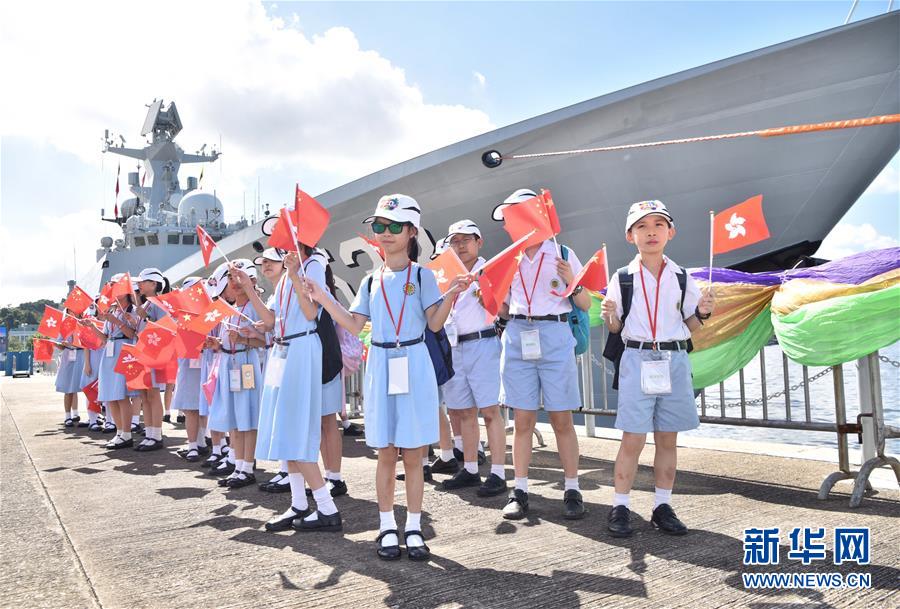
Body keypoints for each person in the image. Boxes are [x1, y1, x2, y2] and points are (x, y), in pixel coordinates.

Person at [304, 194, 468, 561]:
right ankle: (385, 526)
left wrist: (453, 295)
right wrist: (324, 298)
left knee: (413, 453)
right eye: (379, 226)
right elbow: (353, 323)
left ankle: (413, 526)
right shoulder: (370, 280)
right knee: (386, 453)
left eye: (395, 226)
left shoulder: (422, 275)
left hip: (413, 360)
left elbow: (434, 324)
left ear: (411, 232)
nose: (386, 233)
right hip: (380, 360)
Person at [601, 200, 715, 537]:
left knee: (668, 439)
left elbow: (691, 324)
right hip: (636, 358)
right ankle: (620, 506)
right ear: (630, 235)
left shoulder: (682, 277)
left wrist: (704, 311)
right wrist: (609, 315)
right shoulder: (621, 277)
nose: (651, 231)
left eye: (658, 225)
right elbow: (615, 329)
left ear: (670, 232)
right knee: (632, 438)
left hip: (674, 359)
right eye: (642, 226)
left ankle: (662, 505)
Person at [493, 188, 591, 521]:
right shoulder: (508, 258)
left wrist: (572, 283)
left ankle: (572, 488)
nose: (508, 226)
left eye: (512, 217)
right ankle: (519, 490)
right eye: (507, 220)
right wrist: (487, 297)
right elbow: (504, 307)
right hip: (519, 333)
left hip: (553, 332)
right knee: (522, 420)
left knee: (562, 419)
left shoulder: (562, 252)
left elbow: (585, 303)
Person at [437, 220, 508, 497]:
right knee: (463, 411)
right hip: (454, 347)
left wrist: (485, 295)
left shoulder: (491, 270)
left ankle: (499, 473)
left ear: (479, 242)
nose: (461, 245)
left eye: (466, 239)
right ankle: (469, 468)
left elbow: (505, 311)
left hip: (483, 343)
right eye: (455, 241)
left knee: (490, 411)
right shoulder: (444, 275)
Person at [206, 260, 264, 489]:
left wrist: (242, 340)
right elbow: (229, 340)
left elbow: (266, 340)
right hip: (230, 365)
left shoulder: (254, 308)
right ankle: (238, 465)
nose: (235, 283)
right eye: (231, 278)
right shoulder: (230, 310)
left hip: (246, 364)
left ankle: (247, 467)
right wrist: (217, 344)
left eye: (240, 277)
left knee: (247, 418)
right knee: (235, 420)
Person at [172, 277, 208, 462]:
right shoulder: (182, 315)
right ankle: (194, 445)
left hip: (206, 362)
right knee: (190, 407)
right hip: (188, 363)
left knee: (204, 407)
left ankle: (208, 444)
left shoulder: (210, 311)